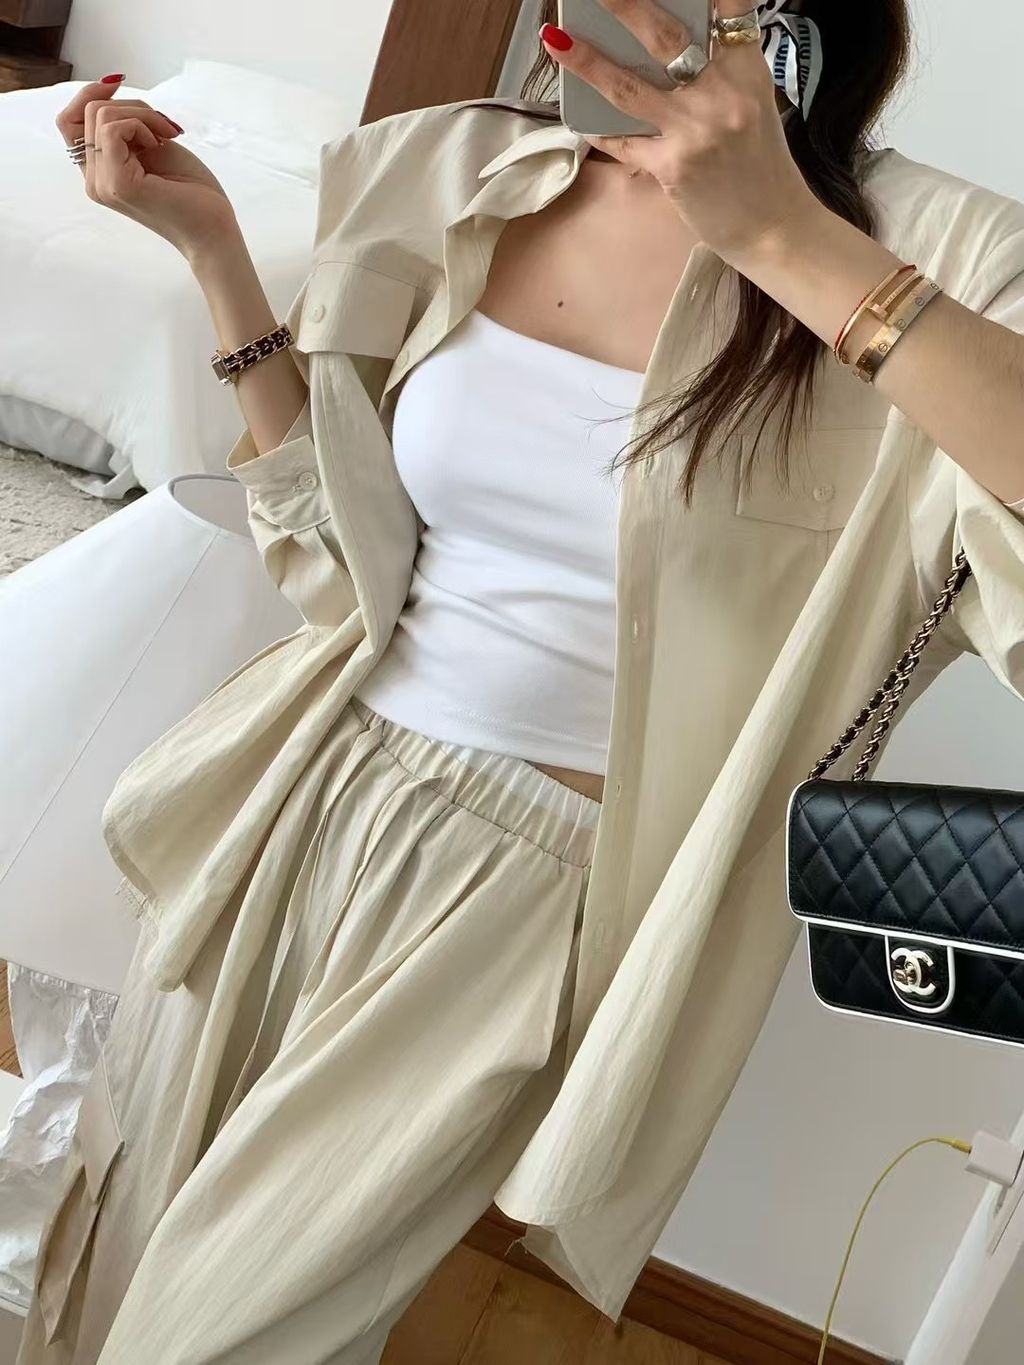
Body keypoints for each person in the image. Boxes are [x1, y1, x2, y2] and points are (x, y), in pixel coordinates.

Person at [18, 0, 1024, 1360]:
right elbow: (341, 547)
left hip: (535, 888)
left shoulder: (945, 252)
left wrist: (785, 236)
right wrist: (213, 252)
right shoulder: (467, 171)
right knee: (117, 1255)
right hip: (317, 785)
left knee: (222, 1338)